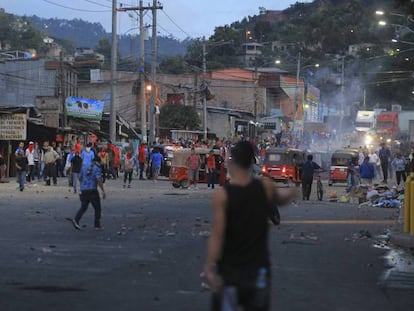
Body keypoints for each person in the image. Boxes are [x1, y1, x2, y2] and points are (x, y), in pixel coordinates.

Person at [204, 141, 296, 311]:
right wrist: (293, 191)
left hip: (229, 272)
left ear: (231, 163)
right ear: (252, 163)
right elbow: (281, 201)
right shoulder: (265, 187)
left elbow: (217, 234)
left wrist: (209, 268)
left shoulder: (221, 196)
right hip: (258, 270)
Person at [71, 156, 106, 230]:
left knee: (83, 207)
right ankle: (97, 225)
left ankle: (76, 219)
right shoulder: (97, 168)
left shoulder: (84, 167)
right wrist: (103, 191)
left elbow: (80, 178)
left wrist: (84, 184)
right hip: (92, 190)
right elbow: (99, 180)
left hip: (84, 190)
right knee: (97, 208)